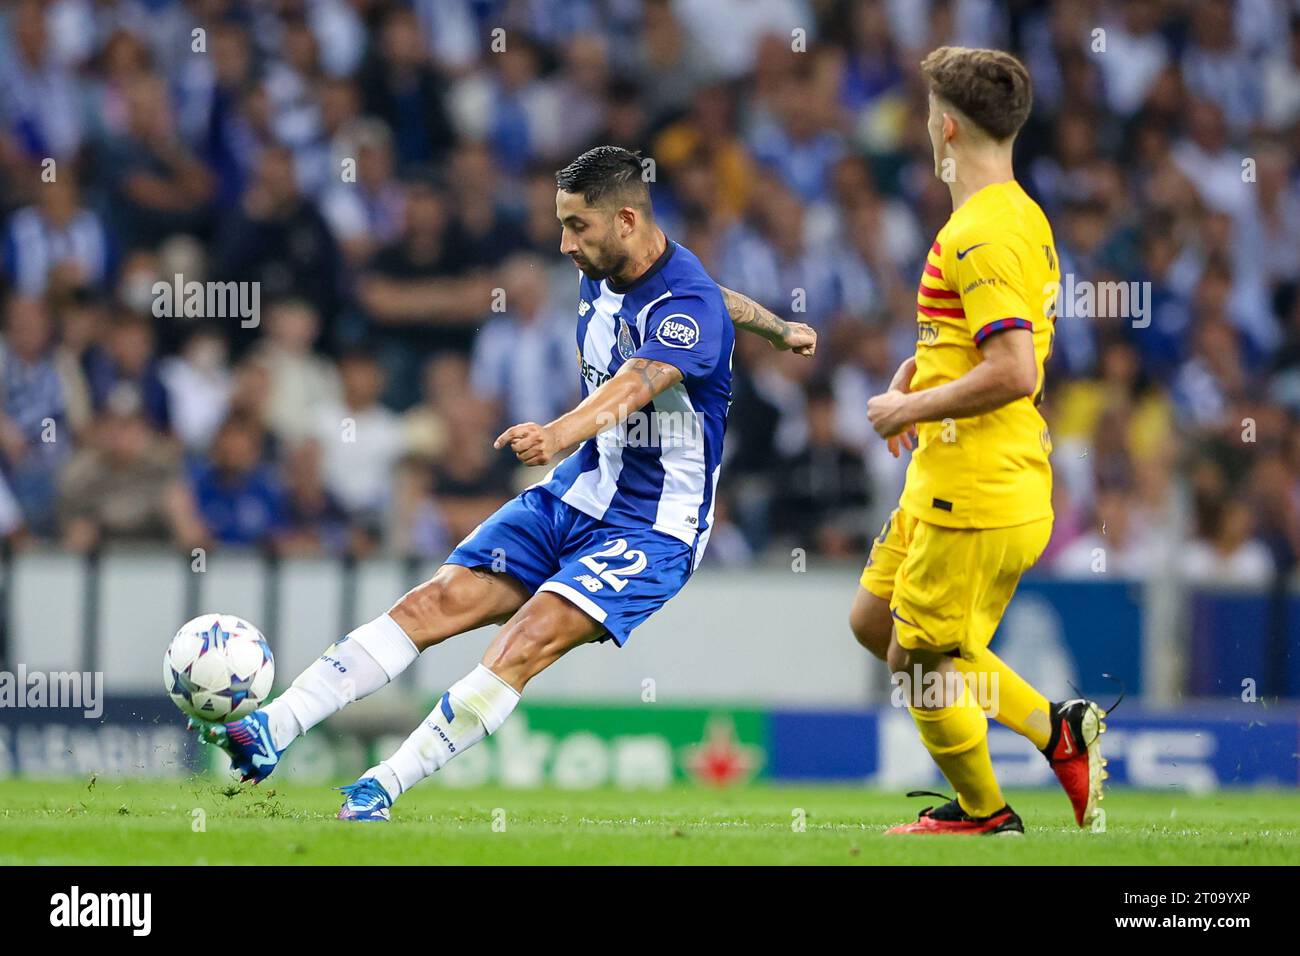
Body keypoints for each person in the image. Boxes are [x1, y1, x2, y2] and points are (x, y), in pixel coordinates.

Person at [194, 145, 815, 821]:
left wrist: (556, 434)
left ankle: (382, 787)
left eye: (578, 227)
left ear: (627, 221)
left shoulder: (683, 307)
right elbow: (725, 299)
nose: (563, 243)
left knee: (525, 639)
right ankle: (272, 729)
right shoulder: (622, 272)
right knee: (433, 602)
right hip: (576, 492)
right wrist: (779, 329)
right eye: (561, 224)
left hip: (652, 528)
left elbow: (638, 384)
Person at [851, 47, 1107, 835]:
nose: (924, 126)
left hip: (979, 483)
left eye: (928, 113)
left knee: (920, 662)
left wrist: (907, 410)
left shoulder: (981, 235)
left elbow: (1016, 370)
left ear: (947, 125)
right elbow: (981, 341)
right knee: (874, 621)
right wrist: (921, 372)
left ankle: (982, 812)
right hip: (949, 473)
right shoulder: (1014, 214)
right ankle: (1057, 725)